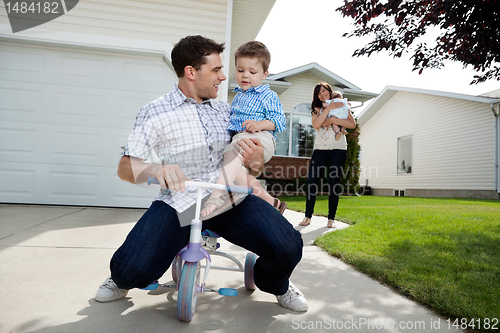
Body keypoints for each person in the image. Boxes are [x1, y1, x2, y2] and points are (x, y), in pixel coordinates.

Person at [94, 35, 308, 312]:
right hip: (180, 202)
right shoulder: (154, 112)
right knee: (131, 269)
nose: (223, 76)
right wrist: (155, 169)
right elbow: (125, 169)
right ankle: (120, 279)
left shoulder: (228, 111)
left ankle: (276, 284)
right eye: (216, 70)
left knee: (288, 246)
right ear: (191, 72)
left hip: (229, 199)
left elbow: (251, 166)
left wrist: (255, 161)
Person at [201, 41, 287, 219]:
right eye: (240, 71)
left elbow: (279, 121)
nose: (245, 75)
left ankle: (215, 197)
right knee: (236, 176)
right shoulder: (239, 95)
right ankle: (272, 202)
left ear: (264, 74)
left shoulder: (267, 95)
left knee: (231, 156)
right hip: (241, 137)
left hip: (260, 136)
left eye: (252, 72)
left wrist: (259, 124)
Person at [299, 82, 356, 228]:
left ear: (329, 91)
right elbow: (317, 124)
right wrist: (329, 109)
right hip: (320, 149)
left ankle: (331, 219)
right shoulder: (316, 109)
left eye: (324, 91)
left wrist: (331, 120)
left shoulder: (341, 104)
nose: (322, 94)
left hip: (338, 149)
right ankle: (307, 216)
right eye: (319, 93)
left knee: (333, 183)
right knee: (311, 182)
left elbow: (351, 124)